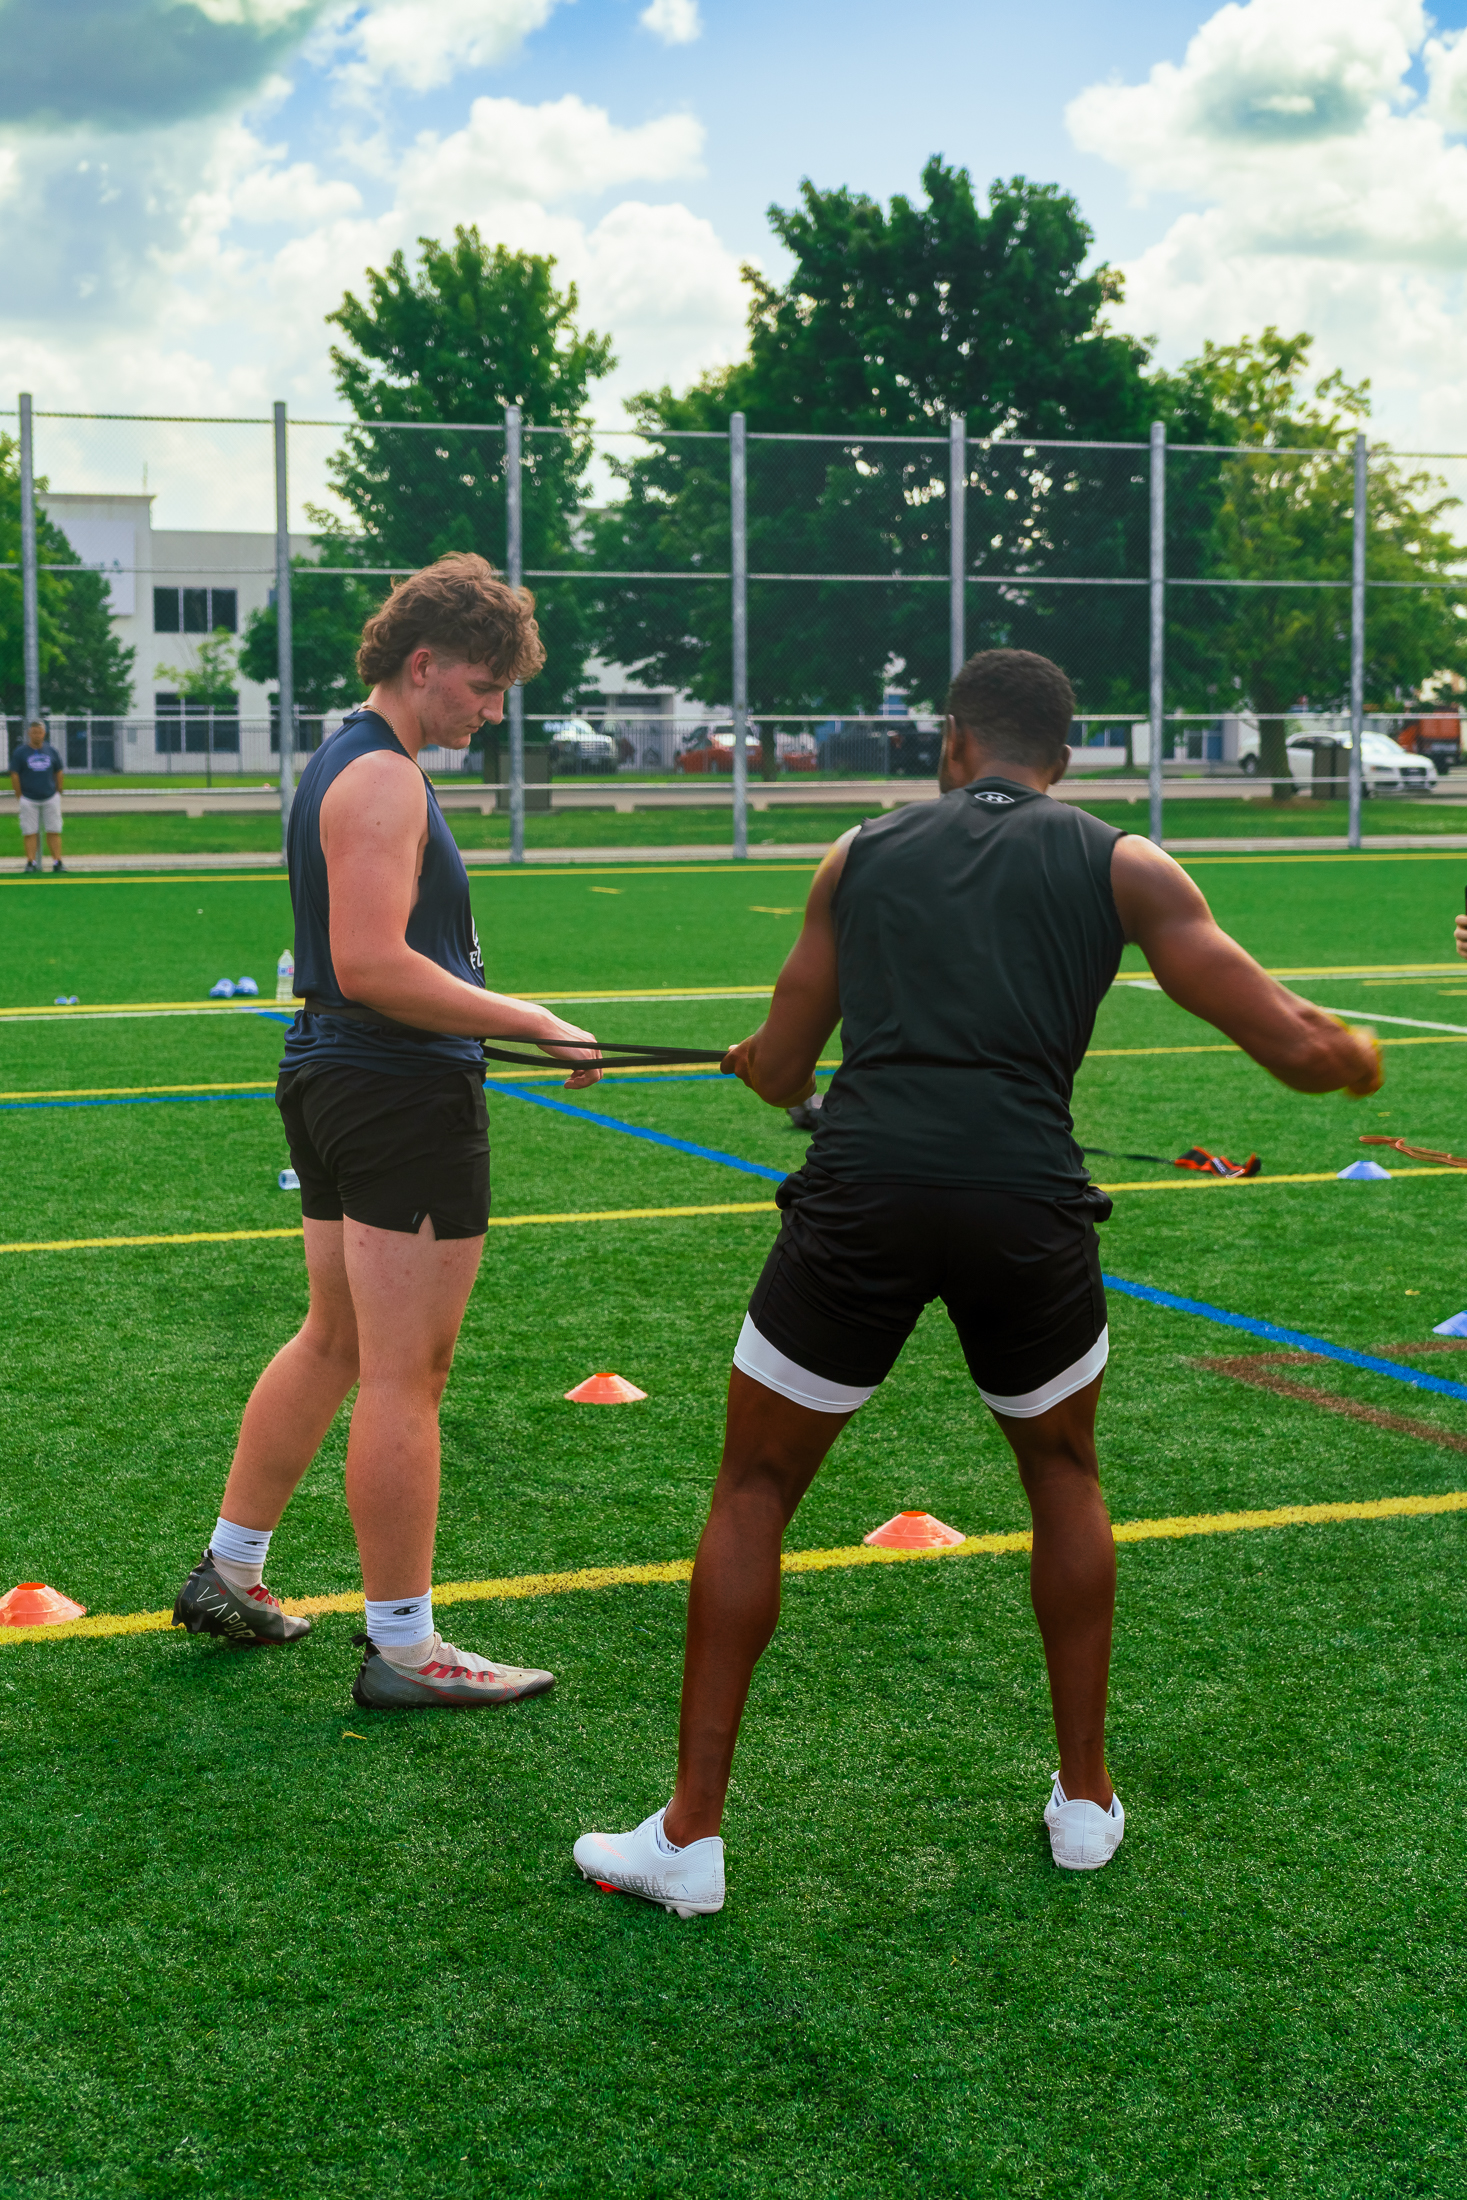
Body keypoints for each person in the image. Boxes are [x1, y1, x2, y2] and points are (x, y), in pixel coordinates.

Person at [572, 647, 1382, 1916]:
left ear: (954, 741)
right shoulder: (1127, 862)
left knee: (755, 1488)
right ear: (1065, 754)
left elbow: (785, 1068)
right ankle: (1085, 1801)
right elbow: (1293, 1045)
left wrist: (756, 1059)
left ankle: (690, 1837)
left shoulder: (858, 853)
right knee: (1062, 1474)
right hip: (1025, 1201)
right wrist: (1356, 1056)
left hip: (864, 1195)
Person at [173, 553, 602, 1709]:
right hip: (394, 1090)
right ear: (425, 665)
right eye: (484, 685)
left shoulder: (351, 760)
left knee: (337, 1340)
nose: (493, 710)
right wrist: (533, 1019)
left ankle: (231, 1570)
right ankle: (408, 1648)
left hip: (341, 1074)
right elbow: (370, 964)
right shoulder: (382, 778)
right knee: (407, 1372)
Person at [9, 720, 66, 874]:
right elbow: (14, 773)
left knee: (53, 829)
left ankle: (57, 862)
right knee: (30, 831)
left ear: (44, 733)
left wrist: (58, 790)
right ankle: (31, 862)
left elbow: (58, 770)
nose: (37, 735)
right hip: (29, 798)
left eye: (39, 732)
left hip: (50, 797)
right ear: (29, 733)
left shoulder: (51, 751)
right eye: (34, 732)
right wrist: (19, 794)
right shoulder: (20, 752)